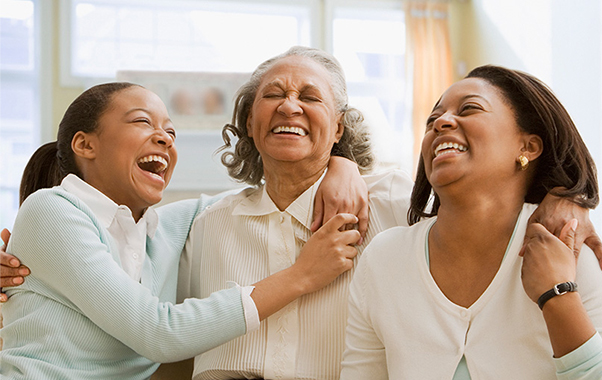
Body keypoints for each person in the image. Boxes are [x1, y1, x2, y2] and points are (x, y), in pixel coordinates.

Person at [173, 48, 602, 380]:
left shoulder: (388, 202)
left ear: (339, 129)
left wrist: (572, 199)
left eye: (309, 97)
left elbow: (481, 202)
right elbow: (165, 327)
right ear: (249, 122)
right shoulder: (208, 222)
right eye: (273, 95)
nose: (289, 107)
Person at [0, 82, 365, 380]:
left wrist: (341, 164)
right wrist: (301, 276)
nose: (165, 138)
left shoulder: (164, 227)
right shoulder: (51, 209)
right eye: (143, 122)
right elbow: (158, 333)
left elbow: (268, 193)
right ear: (85, 144)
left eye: (170, 130)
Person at [340, 65, 602, 379]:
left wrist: (557, 295)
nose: (441, 123)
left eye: (469, 109)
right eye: (432, 120)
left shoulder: (570, 255)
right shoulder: (384, 258)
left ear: (528, 147)